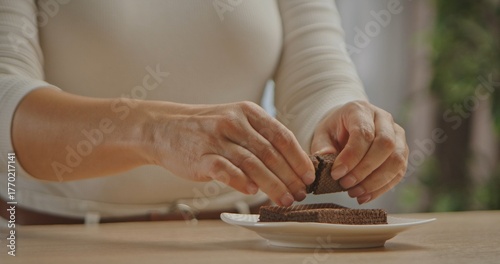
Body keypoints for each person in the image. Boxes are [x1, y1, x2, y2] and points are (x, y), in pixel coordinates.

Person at [0, 0, 408, 224]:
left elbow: (316, 77)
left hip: (237, 240)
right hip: (56, 238)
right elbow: (7, 101)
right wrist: (155, 132)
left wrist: (346, 117)